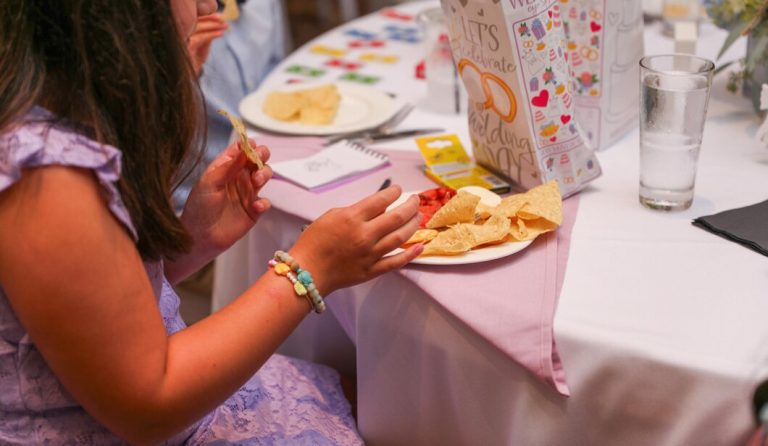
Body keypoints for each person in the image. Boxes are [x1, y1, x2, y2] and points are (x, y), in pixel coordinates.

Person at [0, 0, 422, 444]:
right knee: (403, 412)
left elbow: (98, 314)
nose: (210, 4)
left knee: (385, 400)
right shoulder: (47, 180)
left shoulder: (65, 110)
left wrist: (188, 243)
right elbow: (149, 404)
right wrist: (310, 269)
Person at [174, 0, 286, 210]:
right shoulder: (167, 18)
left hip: (271, 171)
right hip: (185, 201)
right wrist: (174, 79)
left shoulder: (263, 6)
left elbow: (276, 72)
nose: (209, 7)